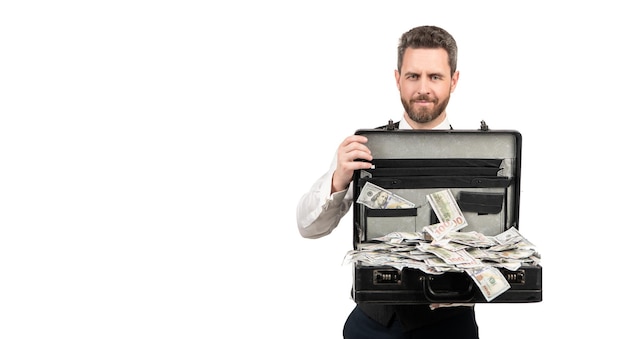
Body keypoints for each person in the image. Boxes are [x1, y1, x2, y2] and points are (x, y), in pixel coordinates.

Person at [296, 25, 479, 338]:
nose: (423, 88)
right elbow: (308, 227)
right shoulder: (365, 148)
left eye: (435, 77)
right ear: (398, 79)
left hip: (451, 326)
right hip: (372, 326)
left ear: (454, 80)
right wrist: (339, 179)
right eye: (413, 76)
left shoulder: (482, 153)